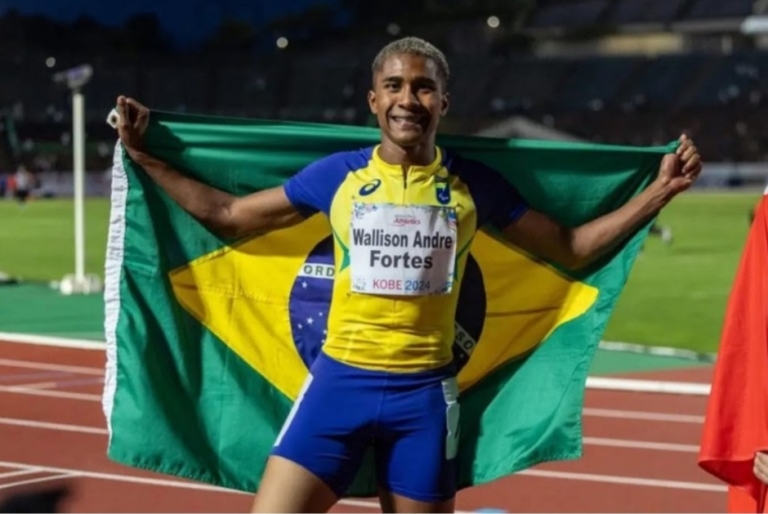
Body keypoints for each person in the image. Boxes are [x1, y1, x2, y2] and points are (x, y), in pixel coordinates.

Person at [114, 37, 702, 513]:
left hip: (423, 400)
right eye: (394, 85)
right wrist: (144, 156)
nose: (408, 98)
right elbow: (228, 215)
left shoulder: (474, 185)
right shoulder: (337, 177)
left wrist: (660, 192)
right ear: (374, 101)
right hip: (337, 386)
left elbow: (570, 248)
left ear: (443, 101)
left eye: (423, 86)